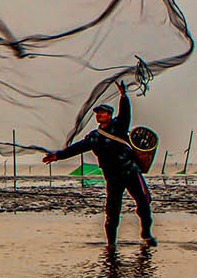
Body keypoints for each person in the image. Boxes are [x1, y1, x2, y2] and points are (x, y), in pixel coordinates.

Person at [43, 84, 154, 246]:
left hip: (130, 172)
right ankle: (111, 244)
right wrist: (58, 156)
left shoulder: (119, 127)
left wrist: (124, 97)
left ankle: (146, 233)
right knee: (112, 211)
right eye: (98, 113)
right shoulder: (94, 137)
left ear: (109, 115)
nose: (99, 115)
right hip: (112, 177)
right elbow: (78, 147)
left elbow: (125, 114)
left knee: (143, 203)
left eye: (103, 112)